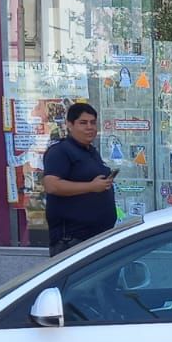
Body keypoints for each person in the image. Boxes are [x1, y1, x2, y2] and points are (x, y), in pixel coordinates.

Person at [41, 102, 116, 255]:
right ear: (69, 125)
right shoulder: (60, 151)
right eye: (83, 123)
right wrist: (92, 187)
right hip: (73, 241)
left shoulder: (90, 151)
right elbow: (52, 185)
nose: (90, 127)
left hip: (98, 236)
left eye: (93, 123)